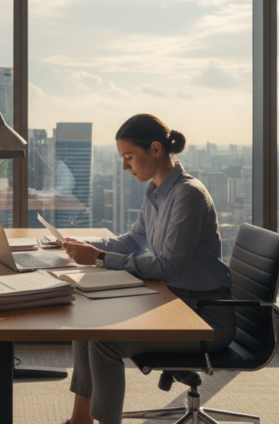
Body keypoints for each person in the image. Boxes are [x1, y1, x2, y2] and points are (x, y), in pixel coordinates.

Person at [60, 114, 236, 424]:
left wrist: (99, 258)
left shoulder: (188, 194)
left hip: (204, 317)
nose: (125, 166)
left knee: (104, 342)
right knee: (86, 326)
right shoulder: (156, 190)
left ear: (155, 149)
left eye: (129, 157)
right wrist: (87, 245)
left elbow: (168, 267)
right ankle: (80, 420)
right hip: (173, 302)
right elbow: (134, 240)